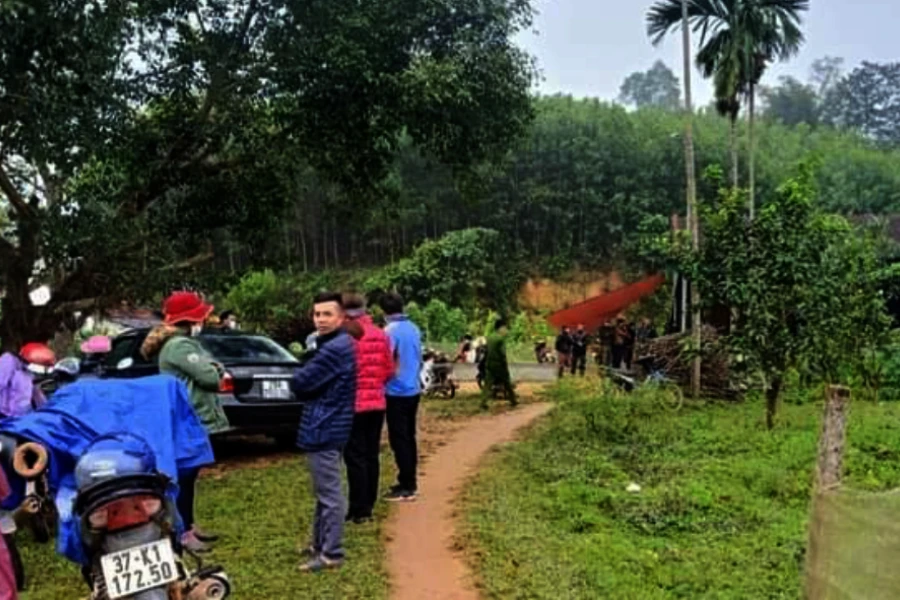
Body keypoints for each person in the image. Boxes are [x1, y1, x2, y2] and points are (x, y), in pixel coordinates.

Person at [141, 291, 228, 553]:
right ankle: (182, 532)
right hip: (191, 418)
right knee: (186, 478)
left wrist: (213, 367)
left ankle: (187, 525)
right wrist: (217, 368)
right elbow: (211, 378)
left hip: (186, 418)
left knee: (189, 476)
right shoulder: (180, 346)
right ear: (192, 318)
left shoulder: (177, 344)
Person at [291, 292, 356, 572]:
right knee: (323, 492)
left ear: (341, 317)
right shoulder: (334, 344)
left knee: (330, 495)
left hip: (324, 426)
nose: (321, 319)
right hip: (330, 424)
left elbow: (300, 383)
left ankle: (332, 553)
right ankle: (319, 544)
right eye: (317, 314)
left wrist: (304, 368)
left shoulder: (334, 349)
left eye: (327, 314)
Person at [342, 294, 393, 525]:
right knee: (371, 454)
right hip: (377, 403)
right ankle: (368, 504)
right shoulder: (381, 334)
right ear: (364, 309)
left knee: (355, 456)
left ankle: (358, 508)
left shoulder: (344, 335)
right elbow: (389, 370)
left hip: (353, 404)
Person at [380, 292, 422, 502]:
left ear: (383, 311)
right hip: (413, 389)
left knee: (399, 440)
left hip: (395, 391)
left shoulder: (388, 332)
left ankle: (407, 485)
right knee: (409, 437)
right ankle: (409, 479)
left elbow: (386, 361)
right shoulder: (414, 328)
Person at [0, 344, 54, 418]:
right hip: (4, 415)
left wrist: (48, 412)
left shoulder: (30, 372)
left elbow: (37, 393)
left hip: (21, 417)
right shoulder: (9, 361)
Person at [482, 318, 517, 408]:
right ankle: (513, 400)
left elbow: (486, 350)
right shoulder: (500, 339)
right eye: (505, 328)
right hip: (499, 364)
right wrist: (505, 364)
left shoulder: (489, 337)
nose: (505, 330)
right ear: (501, 328)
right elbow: (502, 353)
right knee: (507, 383)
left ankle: (483, 402)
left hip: (489, 363)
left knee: (487, 384)